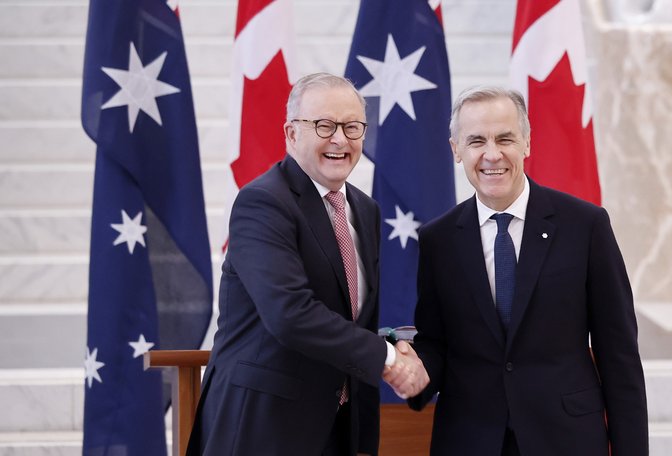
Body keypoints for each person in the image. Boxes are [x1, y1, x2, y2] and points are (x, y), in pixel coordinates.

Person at [187, 73, 428, 456]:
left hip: (335, 427)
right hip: (262, 428)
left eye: (352, 127)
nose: (340, 139)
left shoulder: (365, 209)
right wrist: (385, 359)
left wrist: (394, 346)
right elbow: (290, 313)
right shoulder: (263, 203)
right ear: (292, 133)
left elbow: (348, 317)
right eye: (324, 125)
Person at [407, 86, 648, 455]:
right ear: (456, 150)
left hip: (566, 438)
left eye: (505, 138)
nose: (492, 154)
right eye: (476, 141)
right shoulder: (438, 240)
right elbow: (437, 342)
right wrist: (416, 371)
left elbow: (619, 354)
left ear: (527, 144)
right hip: (469, 438)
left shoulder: (585, 226)